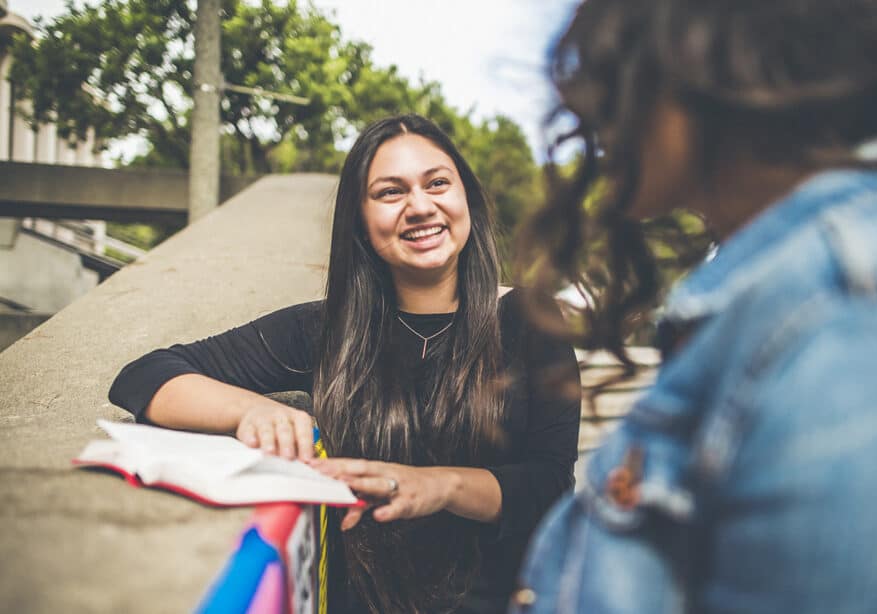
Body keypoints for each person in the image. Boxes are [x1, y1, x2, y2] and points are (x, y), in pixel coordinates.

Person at [512, 1, 877, 612]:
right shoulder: (809, 298)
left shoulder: (865, 320)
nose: (594, 99)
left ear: (719, 50)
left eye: (628, 43)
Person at [108, 114, 581, 614]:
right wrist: (248, 410)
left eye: (437, 183)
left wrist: (439, 485)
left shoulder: (531, 321)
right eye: (390, 192)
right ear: (359, 218)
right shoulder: (328, 332)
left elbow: (551, 485)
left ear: (467, 199)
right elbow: (146, 376)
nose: (421, 207)